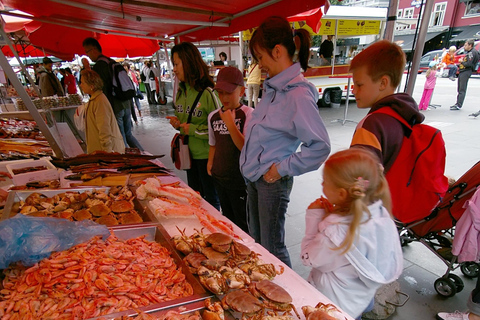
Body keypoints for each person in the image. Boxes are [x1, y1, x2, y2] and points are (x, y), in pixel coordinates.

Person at [240, 16, 331, 267]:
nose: (260, 65)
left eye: (261, 57)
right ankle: (265, 294)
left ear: (277, 51)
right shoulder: (273, 89)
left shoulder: (298, 93)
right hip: (255, 178)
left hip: (272, 181)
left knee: (273, 248)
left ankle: (286, 299)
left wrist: (280, 169)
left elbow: (320, 146)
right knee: (258, 242)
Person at [301, 148, 403, 319]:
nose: (321, 185)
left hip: (331, 306)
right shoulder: (380, 214)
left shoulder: (334, 234)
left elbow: (308, 257)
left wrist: (314, 218)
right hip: (358, 299)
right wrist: (336, 212)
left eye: (324, 182)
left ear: (341, 194)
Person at [349, 40, 424, 173]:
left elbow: (358, 183)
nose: (353, 91)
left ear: (383, 83)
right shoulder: (405, 114)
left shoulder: (371, 126)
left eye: (359, 85)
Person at [166, 42, 221, 210]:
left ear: (188, 61)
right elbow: (185, 123)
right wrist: (178, 124)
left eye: (176, 64)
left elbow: (220, 128)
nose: (174, 69)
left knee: (211, 200)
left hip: (207, 157)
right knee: (195, 196)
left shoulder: (208, 92)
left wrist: (194, 130)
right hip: (188, 155)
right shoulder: (182, 92)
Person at [207, 67, 253, 233]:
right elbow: (213, 143)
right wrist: (210, 163)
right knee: (226, 219)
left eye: (228, 92)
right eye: (220, 93)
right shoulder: (213, 116)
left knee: (242, 223)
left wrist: (230, 124)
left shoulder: (249, 114)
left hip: (239, 181)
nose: (224, 98)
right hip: (220, 177)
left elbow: (245, 147)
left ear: (241, 91)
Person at [82, 37, 143, 151]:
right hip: (125, 103)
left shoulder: (99, 66)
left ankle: (126, 162)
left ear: (94, 49)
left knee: (120, 138)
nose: (87, 55)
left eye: (87, 51)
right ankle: (147, 156)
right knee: (128, 135)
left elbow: (99, 89)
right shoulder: (110, 61)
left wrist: (87, 71)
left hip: (115, 106)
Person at [79, 69, 125, 154]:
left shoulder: (100, 101)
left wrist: (107, 152)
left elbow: (104, 130)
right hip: (98, 151)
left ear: (92, 85)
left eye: (83, 83)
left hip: (104, 152)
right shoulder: (95, 99)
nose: (80, 85)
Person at [450, 39, 480, 111]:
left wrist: (462, 61)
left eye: (466, 45)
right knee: (460, 88)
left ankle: (459, 105)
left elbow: (469, 64)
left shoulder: (472, 53)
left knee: (462, 89)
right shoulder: (471, 52)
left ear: (470, 45)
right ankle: (457, 103)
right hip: (463, 71)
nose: (464, 47)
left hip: (466, 71)